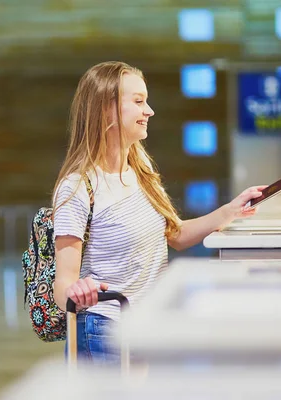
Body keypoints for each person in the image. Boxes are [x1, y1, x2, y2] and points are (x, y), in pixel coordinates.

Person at [52, 61, 265, 365]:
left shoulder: (141, 171)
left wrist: (231, 210)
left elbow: (175, 235)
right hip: (103, 330)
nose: (149, 111)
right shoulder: (77, 187)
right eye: (138, 102)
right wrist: (78, 292)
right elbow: (63, 287)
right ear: (106, 110)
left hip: (145, 323)